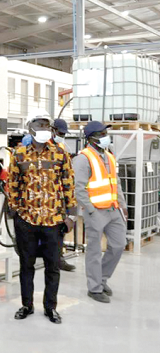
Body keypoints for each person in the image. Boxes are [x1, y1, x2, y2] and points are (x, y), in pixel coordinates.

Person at [8, 109, 77, 325]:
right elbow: (13, 185)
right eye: (39, 125)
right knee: (26, 265)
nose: (44, 129)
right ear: (30, 128)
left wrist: (71, 215)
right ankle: (27, 305)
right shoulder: (19, 154)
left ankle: (51, 307)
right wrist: (17, 211)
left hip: (54, 220)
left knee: (53, 266)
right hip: (26, 220)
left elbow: (68, 184)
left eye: (47, 125)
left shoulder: (60, 153)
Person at [73, 121, 127, 304]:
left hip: (113, 210)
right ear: (93, 138)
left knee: (119, 245)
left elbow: (115, 182)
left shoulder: (109, 156)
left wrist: (122, 204)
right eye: (103, 133)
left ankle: (102, 278)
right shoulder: (83, 158)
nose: (106, 136)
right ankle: (94, 288)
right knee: (94, 251)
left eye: (106, 133)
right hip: (95, 211)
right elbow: (78, 188)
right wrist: (90, 210)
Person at [52, 118, 76, 273]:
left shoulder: (61, 149)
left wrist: (71, 208)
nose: (62, 136)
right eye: (60, 133)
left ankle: (58, 259)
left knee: (59, 231)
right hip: (43, 200)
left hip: (58, 199)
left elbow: (67, 178)